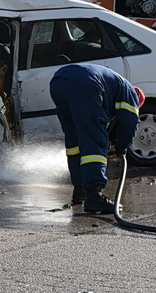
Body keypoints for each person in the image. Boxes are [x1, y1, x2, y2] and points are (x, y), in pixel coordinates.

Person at [49, 63, 144, 214]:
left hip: (58, 81)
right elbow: (129, 123)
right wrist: (121, 148)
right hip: (84, 83)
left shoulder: (113, 85)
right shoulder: (130, 92)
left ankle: (80, 190)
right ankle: (94, 195)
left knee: (74, 141)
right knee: (95, 140)